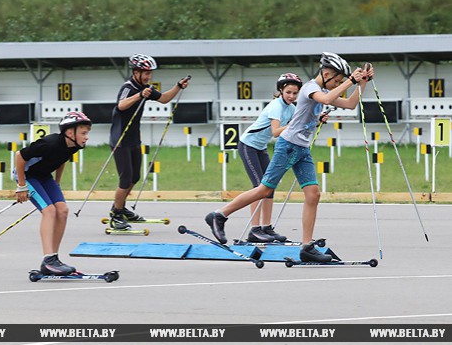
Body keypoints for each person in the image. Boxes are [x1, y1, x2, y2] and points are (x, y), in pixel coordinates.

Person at [205, 52, 374, 262]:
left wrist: (363, 83)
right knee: (264, 189)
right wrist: (350, 80)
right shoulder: (311, 88)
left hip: (302, 149)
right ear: (327, 73)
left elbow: (350, 104)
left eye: (341, 81)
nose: (338, 84)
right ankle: (219, 215)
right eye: (337, 80)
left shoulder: (323, 90)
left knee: (313, 194)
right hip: (288, 146)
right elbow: (328, 99)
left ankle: (306, 247)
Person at [108, 54, 190, 230]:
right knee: (125, 178)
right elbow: (121, 105)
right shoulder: (128, 87)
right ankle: (115, 215)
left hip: (133, 139)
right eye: (146, 73)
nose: (148, 77)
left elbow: (164, 99)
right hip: (119, 139)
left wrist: (178, 86)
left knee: (135, 177)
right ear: (136, 72)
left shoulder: (147, 88)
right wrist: (139, 95)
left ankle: (120, 208)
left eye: (150, 73)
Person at [14, 111, 92, 276]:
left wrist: (56, 184)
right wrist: (21, 186)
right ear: (70, 132)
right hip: (27, 175)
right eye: (83, 133)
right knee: (49, 211)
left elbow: (61, 161)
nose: (87, 137)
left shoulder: (74, 145)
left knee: (62, 210)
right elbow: (19, 156)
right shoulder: (49, 143)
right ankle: (48, 259)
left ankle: (54, 259)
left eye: (87, 133)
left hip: (44, 176)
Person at [239, 73, 303, 243]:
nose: (292, 96)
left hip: (261, 148)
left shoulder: (291, 108)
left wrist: (316, 120)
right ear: (281, 90)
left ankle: (266, 228)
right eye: (288, 92)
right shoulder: (276, 106)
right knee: (259, 187)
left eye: (295, 93)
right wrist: (295, 124)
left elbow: (300, 122)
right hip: (248, 145)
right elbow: (276, 132)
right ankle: (254, 230)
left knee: (270, 186)